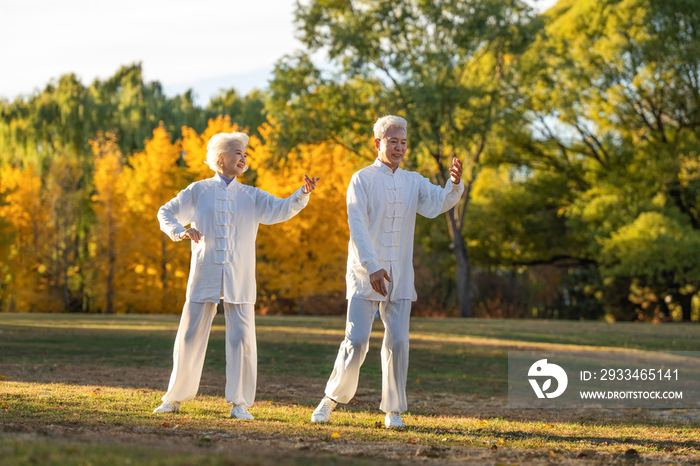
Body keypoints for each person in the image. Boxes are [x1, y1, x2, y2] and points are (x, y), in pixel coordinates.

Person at [311, 115, 463, 428]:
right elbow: (358, 226)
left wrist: (455, 184)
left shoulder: (413, 181)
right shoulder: (362, 179)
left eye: (403, 142)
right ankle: (330, 399)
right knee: (357, 341)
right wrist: (373, 267)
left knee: (399, 342)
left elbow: (436, 203)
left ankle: (393, 409)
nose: (399, 147)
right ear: (378, 143)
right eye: (393, 141)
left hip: (401, 276)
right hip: (366, 272)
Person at [154, 131, 319, 419]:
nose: (243, 158)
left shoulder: (251, 195)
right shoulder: (198, 190)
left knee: (242, 338)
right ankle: (174, 398)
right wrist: (180, 231)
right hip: (204, 272)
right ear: (220, 158)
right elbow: (165, 212)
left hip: (240, 277)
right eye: (237, 153)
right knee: (190, 336)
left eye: (245, 154)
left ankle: (240, 403)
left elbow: (280, 209)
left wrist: (302, 193)